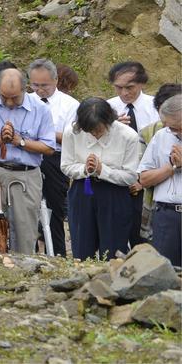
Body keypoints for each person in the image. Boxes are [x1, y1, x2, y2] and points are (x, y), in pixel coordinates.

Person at [0, 68, 56, 254]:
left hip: (26, 175)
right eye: (4, 97)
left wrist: (21, 142)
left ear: (26, 89)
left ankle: (23, 274)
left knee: (25, 231)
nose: (9, 103)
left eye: (15, 98)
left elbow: (49, 147)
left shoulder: (40, 109)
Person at [61, 98, 142, 260]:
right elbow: (66, 166)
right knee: (82, 247)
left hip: (114, 193)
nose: (95, 134)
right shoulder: (72, 132)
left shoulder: (127, 136)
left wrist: (102, 170)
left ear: (109, 121)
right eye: (90, 130)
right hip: (83, 188)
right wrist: (85, 169)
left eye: (98, 130)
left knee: (113, 249)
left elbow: (131, 175)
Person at [28, 58, 79, 257]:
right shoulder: (24, 100)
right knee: (27, 207)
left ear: (56, 80)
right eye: (35, 85)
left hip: (55, 158)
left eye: (45, 86)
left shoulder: (70, 105)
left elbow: (72, 137)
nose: (40, 90)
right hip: (27, 155)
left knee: (55, 207)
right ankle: (29, 251)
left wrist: (43, 133)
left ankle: (58, 253)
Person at [107, 60, 158, 247]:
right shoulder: (107, 108)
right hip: (116, 179)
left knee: (143, 237)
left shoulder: (156, 107)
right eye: (118, 88)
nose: (124, 93)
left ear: (142, 84)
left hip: (147, 180)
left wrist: (141, 180)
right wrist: (111, 127)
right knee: (115, 236)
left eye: (130, 87)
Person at [136, 95, 182, 267]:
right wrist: (171, 167)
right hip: (165, 215)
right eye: (171, 128)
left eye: (178, 127)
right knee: (165, 271)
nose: (174, 132)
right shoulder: (162, 136)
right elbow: (144, 179)